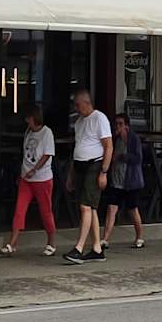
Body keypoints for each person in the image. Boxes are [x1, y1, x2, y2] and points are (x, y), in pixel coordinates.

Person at [62, 89, 113, 264]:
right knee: (90, 208)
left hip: (95, 164)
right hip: (80, 165)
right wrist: (71, 174)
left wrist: (104, 172)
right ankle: (97, 248)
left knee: (85, 206)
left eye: (78, 105)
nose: (76, 109)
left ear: (86, 102)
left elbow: (108, 146)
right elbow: (77, 148)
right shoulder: (79, 122)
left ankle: (79, 247)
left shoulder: (99, 118)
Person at [0, 105, 57, 256]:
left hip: (42, 178)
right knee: (19, 209)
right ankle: (13, 243)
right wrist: (23, 173)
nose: (26, 121)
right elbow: (25, 154)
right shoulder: (28, 132)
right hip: (27, 178)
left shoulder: (47, 133)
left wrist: (34, 169)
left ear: (34, 118)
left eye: (28, 118)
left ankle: (51, 242)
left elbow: (47, 155)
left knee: (45, 211)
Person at [101, 112, 149, 251]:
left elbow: (137, 158)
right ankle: (105, 239)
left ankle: (139, 236)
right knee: (111, 208)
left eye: (120, 124)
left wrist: (122, 156)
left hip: (130, 181)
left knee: (132, 209)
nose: (118, 127)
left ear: (126, 126)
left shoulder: (133, 139)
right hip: (117, 179)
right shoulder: (115, 140)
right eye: (116, 124)